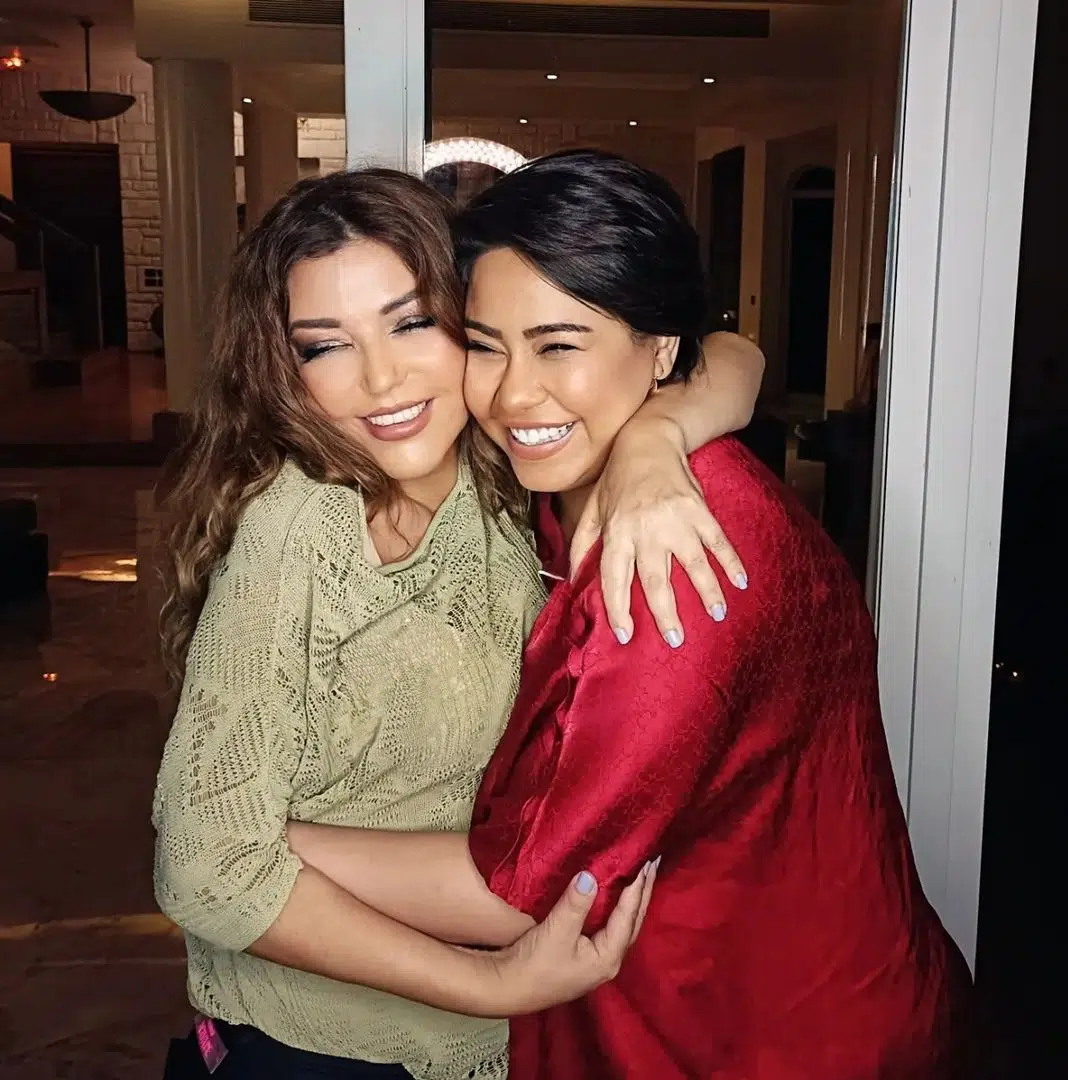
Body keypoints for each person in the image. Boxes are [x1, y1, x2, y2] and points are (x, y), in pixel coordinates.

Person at [288, 151, 972, 1078]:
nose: (512, 394)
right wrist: (659, 429)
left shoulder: (676, 566)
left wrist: (253, 842)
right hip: (698, 985)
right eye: (485, 344)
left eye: (558, 345)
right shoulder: (592, 468)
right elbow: (732, 352)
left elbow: (532, 883)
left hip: (767, 1031)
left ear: (659, 351)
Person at [153, 167, 765, 1080]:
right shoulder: (302, 533)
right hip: (318, 1048)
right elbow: (202, 864)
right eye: (325, 346)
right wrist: (494, 984)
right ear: (283, 370)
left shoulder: (505, 462)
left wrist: (654, 440)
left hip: (483, 1047)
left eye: (410, 324)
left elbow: (734, 355)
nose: (381, 379)